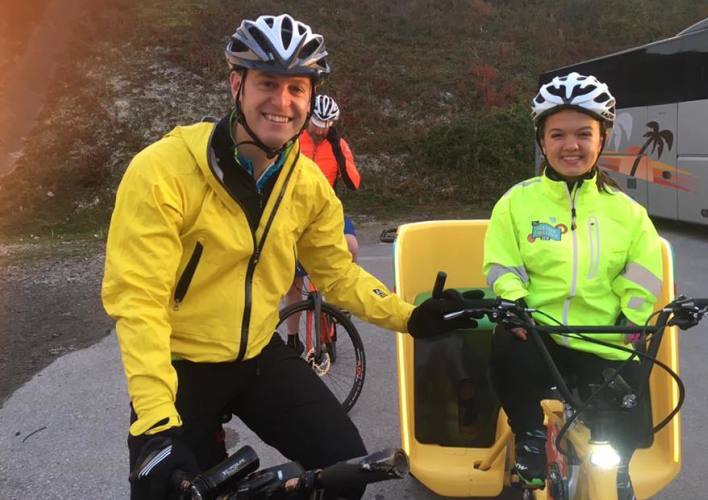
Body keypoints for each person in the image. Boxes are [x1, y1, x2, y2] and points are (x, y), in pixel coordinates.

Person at [101, 13, 475, 500]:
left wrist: (411, 317)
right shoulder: (162, 171)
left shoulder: (307, 184)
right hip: (180, 363)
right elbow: (139, 300)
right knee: (163, 490)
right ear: (237, 85)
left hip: (257, 354)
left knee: (346, 471)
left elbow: (337, 275)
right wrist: (155, 422)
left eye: (296, 88)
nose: (282, 102)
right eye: (267, 84)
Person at [483, 72, 663, 488]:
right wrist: (514, 303)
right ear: (542, 141)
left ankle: (619, 467)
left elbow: (643, 273)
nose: (571, 145)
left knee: (633, 387)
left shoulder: (628, 213)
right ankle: (529, 435)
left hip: (602, 335)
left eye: (584, 133)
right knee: (506, 344)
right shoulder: (516, 203)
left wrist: (631, 319)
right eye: (557, 134)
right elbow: (501, 265)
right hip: (537, 333)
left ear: (602, 139)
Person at [284, 94, 361, 352]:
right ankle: (293, 337)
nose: (321, 130)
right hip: (294, 212)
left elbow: (354, 183)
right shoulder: (293, 139)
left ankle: (341, 302)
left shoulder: (338, 144)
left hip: (327, 211)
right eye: (317, 123)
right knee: (293, 280)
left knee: (351, 246)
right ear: (308, 118)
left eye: (327, 125)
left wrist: (339, 151)